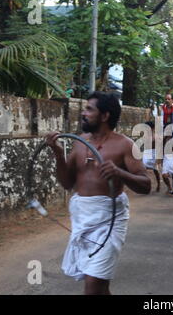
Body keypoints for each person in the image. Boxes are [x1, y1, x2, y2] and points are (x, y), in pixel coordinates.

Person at [46, 92, 151, 295]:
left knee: (93, 285)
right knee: (99, 284)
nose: (83, 113)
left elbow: (145, 185)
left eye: (89, 109)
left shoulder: (126, 145)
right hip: (83, 216)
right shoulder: (79, 142)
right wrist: (58, 154)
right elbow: (67, 183)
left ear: (104, 115)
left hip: (109, 219)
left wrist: (119, 172)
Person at [142, 121, 161, 193]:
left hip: (154, 153)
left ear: (152, 128)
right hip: (146, 153)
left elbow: (159, 148)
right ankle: (146, 185)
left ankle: (158, 184)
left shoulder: (156, 137)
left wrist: (157, 159)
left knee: (156, 170)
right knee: (143, 169)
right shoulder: (145, 136)